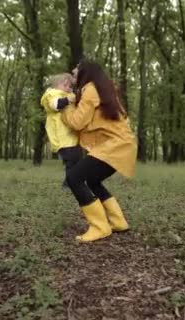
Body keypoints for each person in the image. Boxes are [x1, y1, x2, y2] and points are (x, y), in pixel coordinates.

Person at [61, 60, 137, 242]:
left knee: (74, 177)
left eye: (77, 68)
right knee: (92, 180)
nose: (73, 70)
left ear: (86, 72)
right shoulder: (102, 89)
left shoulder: (90, 90)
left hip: (114, 147)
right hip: (122, 146)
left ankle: (100, 226)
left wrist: (65, 107)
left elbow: (77, 122)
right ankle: (118, 222)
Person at [40, 73, 84, 187]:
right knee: (71, 158)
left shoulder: (66, 95)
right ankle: (69, 183)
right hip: (61, 135)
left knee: (77, 157)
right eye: (66, 85)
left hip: (70, 134)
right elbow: (56, 105)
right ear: (57, 85)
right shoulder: (52, 94)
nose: (69, 88)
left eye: (71, 86)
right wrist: (69, 99)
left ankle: (71, 181)